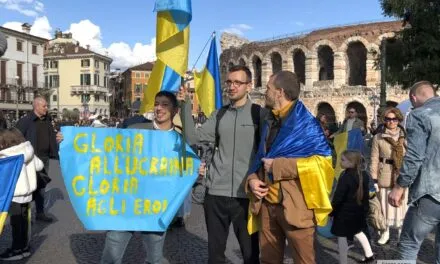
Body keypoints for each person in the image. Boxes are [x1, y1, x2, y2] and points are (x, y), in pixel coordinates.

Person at [246, 71, 333, 264]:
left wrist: (279, 166)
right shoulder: (270, 119)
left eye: (268, 88)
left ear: (280, 92)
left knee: (304, 261)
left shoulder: (306, 124)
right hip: (268, 205)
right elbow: (261, 157)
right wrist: (252, 178)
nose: (265, 92)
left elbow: (323, 163)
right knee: (268, 260)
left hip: (297, 207)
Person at [178, 65, 263, 264]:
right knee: (215, 255)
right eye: (229, 82)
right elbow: (193, 137)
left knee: (251, 254)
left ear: (248, 86)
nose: (232, 87)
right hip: (216, 194)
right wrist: (185, 106)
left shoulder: (259, 114)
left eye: (238, 83)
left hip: (246, 196)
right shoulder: (219, 115)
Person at [100, 91, 184, 264]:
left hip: (156, 207)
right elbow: (104, 146)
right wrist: (69, 141)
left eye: (165, 104)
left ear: (175, 110)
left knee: (155, 258)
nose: (159, 108)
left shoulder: (179, 140)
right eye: (156, 103)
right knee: (111, 255)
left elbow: (184, 171)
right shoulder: (134, 130)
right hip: (126, 203)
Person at [388, 81, 440, 262]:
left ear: (413, 98)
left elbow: (415, 157)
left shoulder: (419, 115)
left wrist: (400, 186)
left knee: (409, 244)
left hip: (430, 192)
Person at [0, 128, 43, 261]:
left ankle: (16, 249)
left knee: (16, 222)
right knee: (24, 221)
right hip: (28, 193)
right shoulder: (28, 150)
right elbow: (40, 166)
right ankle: (24, 248)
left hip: (14, 193)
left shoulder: (6, 155)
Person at [15, 96, 60, 223]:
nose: (47, 108)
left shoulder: (47, 120)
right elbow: (16, 138)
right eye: (44, 106)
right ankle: (24, 215)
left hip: (44, 158)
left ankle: (40, 212)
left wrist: (57, 140)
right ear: (36, 106)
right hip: (30, 160)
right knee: (28, 187)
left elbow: (52, 136)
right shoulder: (26, 121)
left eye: (46, 106)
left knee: (41, 186)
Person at [369, 107, 407, 244]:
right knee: (384, 205)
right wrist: (373, 179)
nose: (391, 122)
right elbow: (374, 158)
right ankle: (385, 232)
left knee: (401, 205)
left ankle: (401, 233)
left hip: (401, 174)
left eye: (394, 119)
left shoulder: (405, 136)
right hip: (384, 172)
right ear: (384, 120)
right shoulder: (378, 137)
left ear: (398, 120)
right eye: (388, 119)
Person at [331, 150, 375, 264]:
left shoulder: (345, 177)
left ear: (351, 162)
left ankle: (343, 261)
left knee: (341, 237)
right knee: (359, 232)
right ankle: (370, 256)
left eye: (343, 160)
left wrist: (332, 210)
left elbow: (338, 197)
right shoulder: (363, 174)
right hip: (358, 212)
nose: (340, 162)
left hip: (343, 213)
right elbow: (366, 196)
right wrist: (365, 210)